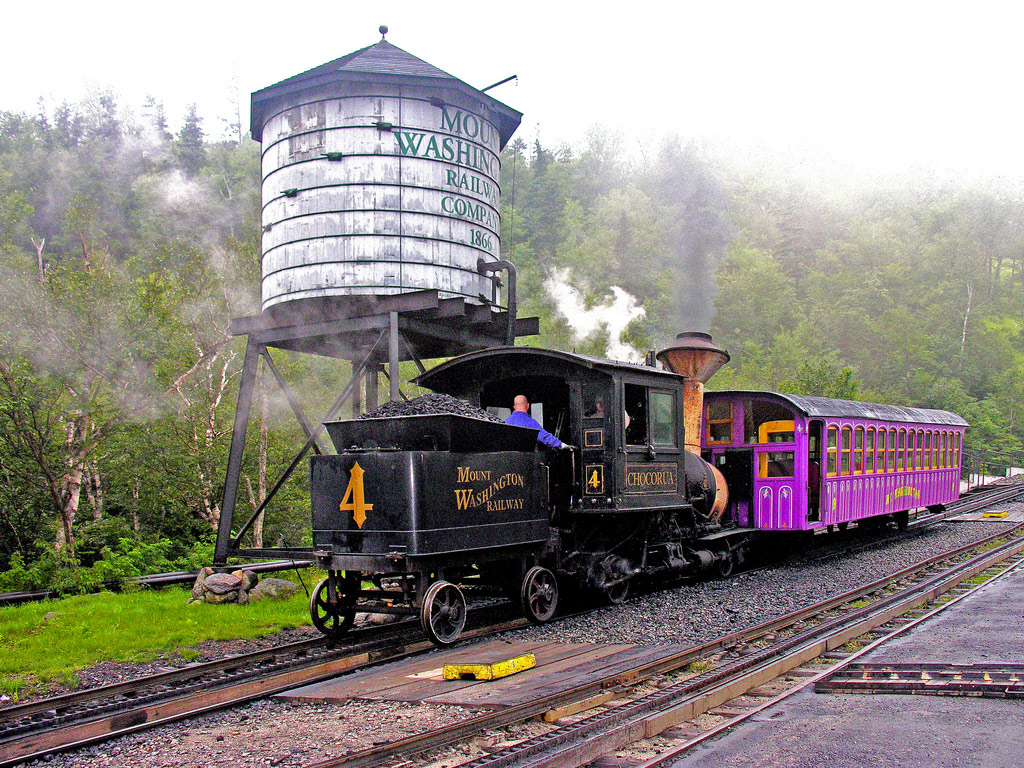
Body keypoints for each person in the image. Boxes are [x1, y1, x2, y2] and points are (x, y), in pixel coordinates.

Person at [505, 395, 572, 450]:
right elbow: (544, 437)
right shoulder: (530, 423)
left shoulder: (506, 422)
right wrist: (561, 445)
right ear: (528, 406)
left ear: (514, 407)